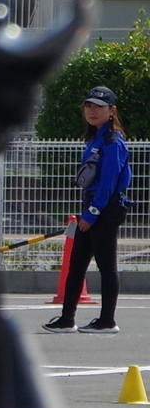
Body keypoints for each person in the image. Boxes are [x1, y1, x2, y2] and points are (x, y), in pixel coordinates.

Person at [47, 85, 130, 333]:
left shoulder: (113, 141)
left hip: (105, 208)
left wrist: (92, 213)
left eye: (99, 107)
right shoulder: (95, 138)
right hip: (92, 206)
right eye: (89, 106)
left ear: (111, 110)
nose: (92, 111)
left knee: (106, 265)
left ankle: (107, 321)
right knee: (76, 264)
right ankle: (66, 318)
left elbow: (109, 181)